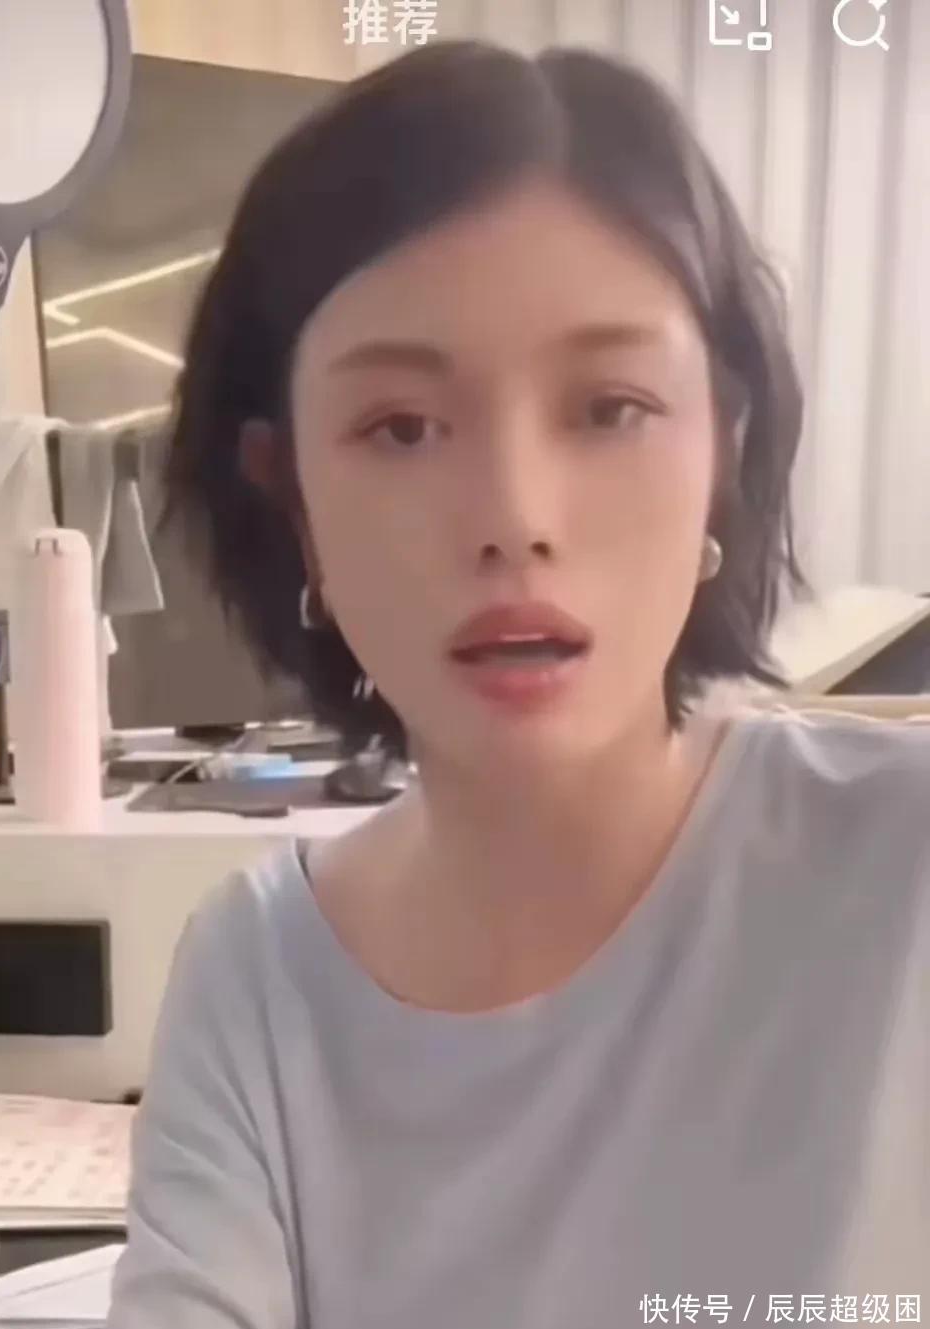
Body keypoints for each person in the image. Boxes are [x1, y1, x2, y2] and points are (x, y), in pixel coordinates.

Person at [106, 41, 929, 1329]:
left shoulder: (902, 872)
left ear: (724, 451)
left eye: (609, 409)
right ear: (293, 500)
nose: (514, 519)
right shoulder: (257, 979)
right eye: (402, 428)